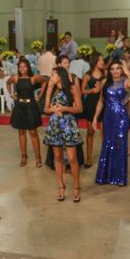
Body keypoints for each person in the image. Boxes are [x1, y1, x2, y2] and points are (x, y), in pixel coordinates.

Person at [93, 60, 130, 186]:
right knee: (108, 143)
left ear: (121, 70)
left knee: (120, 144)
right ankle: (105, 176)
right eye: (112, 69)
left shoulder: (126, 82)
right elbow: (100, 101)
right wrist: (95, 117)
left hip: (121, 117)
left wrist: (127, 71)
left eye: (118, 68)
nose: (115, 71)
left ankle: (119, 177)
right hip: (108, 117)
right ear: (109, 71)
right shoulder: (105, 82)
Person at [43, 67, 84, 202]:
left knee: (72, 158)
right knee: (57, 156)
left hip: (68, 124)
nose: (51, 77)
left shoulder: (72, 88)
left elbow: (79, 108)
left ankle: (77, 186)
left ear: (60, 76)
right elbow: (45, 109)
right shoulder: (51, 88)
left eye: (53, 75)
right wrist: (54, 110)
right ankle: (61, 186)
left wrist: (64, 108)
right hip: (55, 124)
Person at [7, 58, 47, 167]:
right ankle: (23, 156)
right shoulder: (16, 77)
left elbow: (45, 81)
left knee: (33, 132)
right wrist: (11, 94)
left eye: (24, 67)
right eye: (20, 67)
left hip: (31, 106)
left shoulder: (33, 78)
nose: (22, 69)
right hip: (19, 106)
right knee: (21, 132)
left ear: (28, 67)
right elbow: (7, 83)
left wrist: (40, 95)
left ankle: (38, 157)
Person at [81, 52, 106, 168]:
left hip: (104, 103)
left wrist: (102, 89)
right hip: (91, 103)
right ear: (95, 61)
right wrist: (92, 91)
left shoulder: (105, 74)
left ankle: (105, 157)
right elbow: (82, 91)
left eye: (102, 60)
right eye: (100, 60)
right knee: (90, 132)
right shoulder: (88, 75)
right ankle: (89, 157)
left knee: (104, 132)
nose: (102, 62)